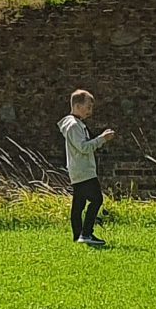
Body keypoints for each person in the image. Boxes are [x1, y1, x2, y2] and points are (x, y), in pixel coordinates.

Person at [59, 88, 118, 246]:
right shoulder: (73, 126)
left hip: (78, 169)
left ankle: (78, 235)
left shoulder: (75, 124)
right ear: (77, 106)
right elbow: (83, 147)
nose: (90, 111)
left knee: (79, 203)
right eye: (88, 107)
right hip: (83, 170)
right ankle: (86, 233)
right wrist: (102, 139)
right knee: (96, 199)